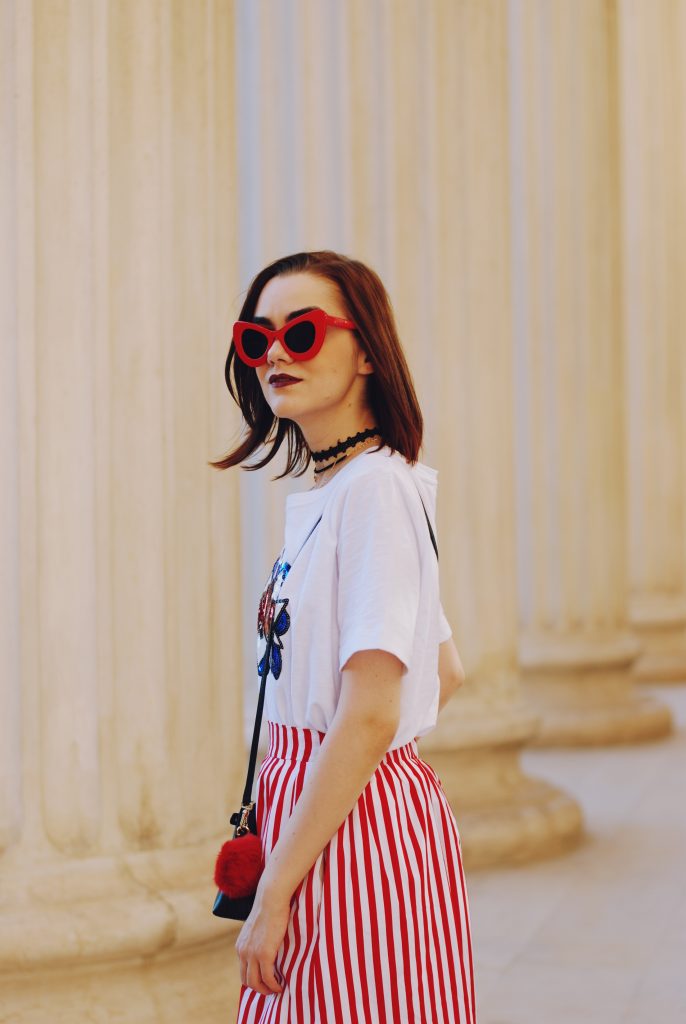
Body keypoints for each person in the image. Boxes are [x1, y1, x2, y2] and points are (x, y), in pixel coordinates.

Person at [210, 250, 476, 1023]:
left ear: (365, 350)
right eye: (257, 340)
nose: (277, 354)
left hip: (345, 836)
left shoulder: (374, 492)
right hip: (343, 813)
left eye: (302, 331)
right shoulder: (348, 489)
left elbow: (370, 712)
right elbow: (445, 666)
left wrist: (278, 889)